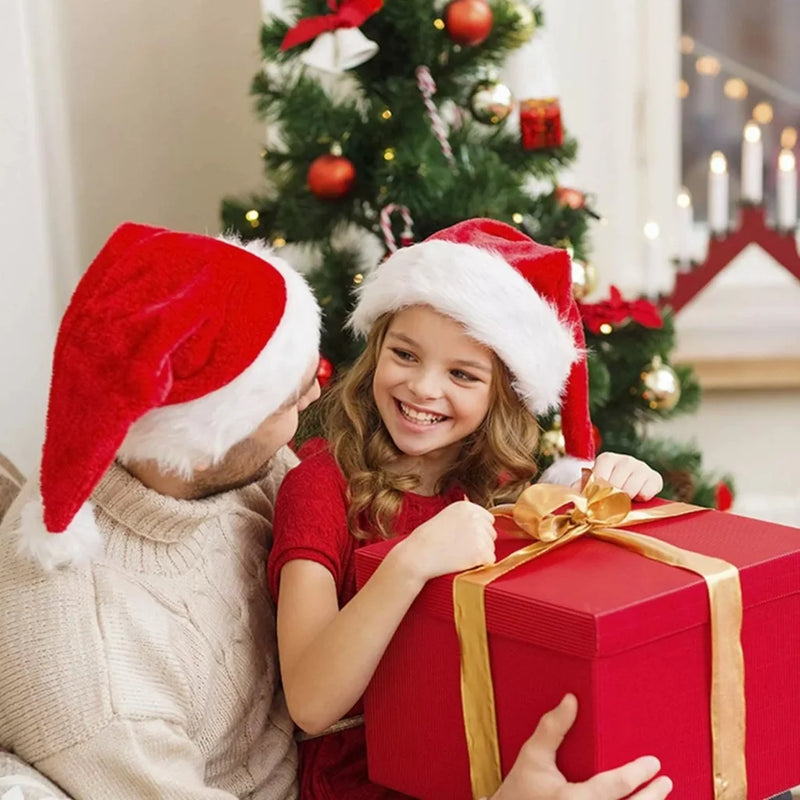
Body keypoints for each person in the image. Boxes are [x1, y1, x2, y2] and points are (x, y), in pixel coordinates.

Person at [0, 219, 670, 800]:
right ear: (203, 444)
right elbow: (318, 703)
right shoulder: (98, 690)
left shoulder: (240, 473)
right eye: (288, 401)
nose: (312, 410)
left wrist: (590, 496)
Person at [268, 218, 669, 799]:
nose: (425, 388)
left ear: (501, 394)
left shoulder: (506, 489)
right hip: (371, 778)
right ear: (377, 350)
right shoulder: (321, 486)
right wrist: (408, 564)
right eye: (405, 354)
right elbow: (309, 701)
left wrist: (621, 495)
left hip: (492, 755)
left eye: (462, 374)